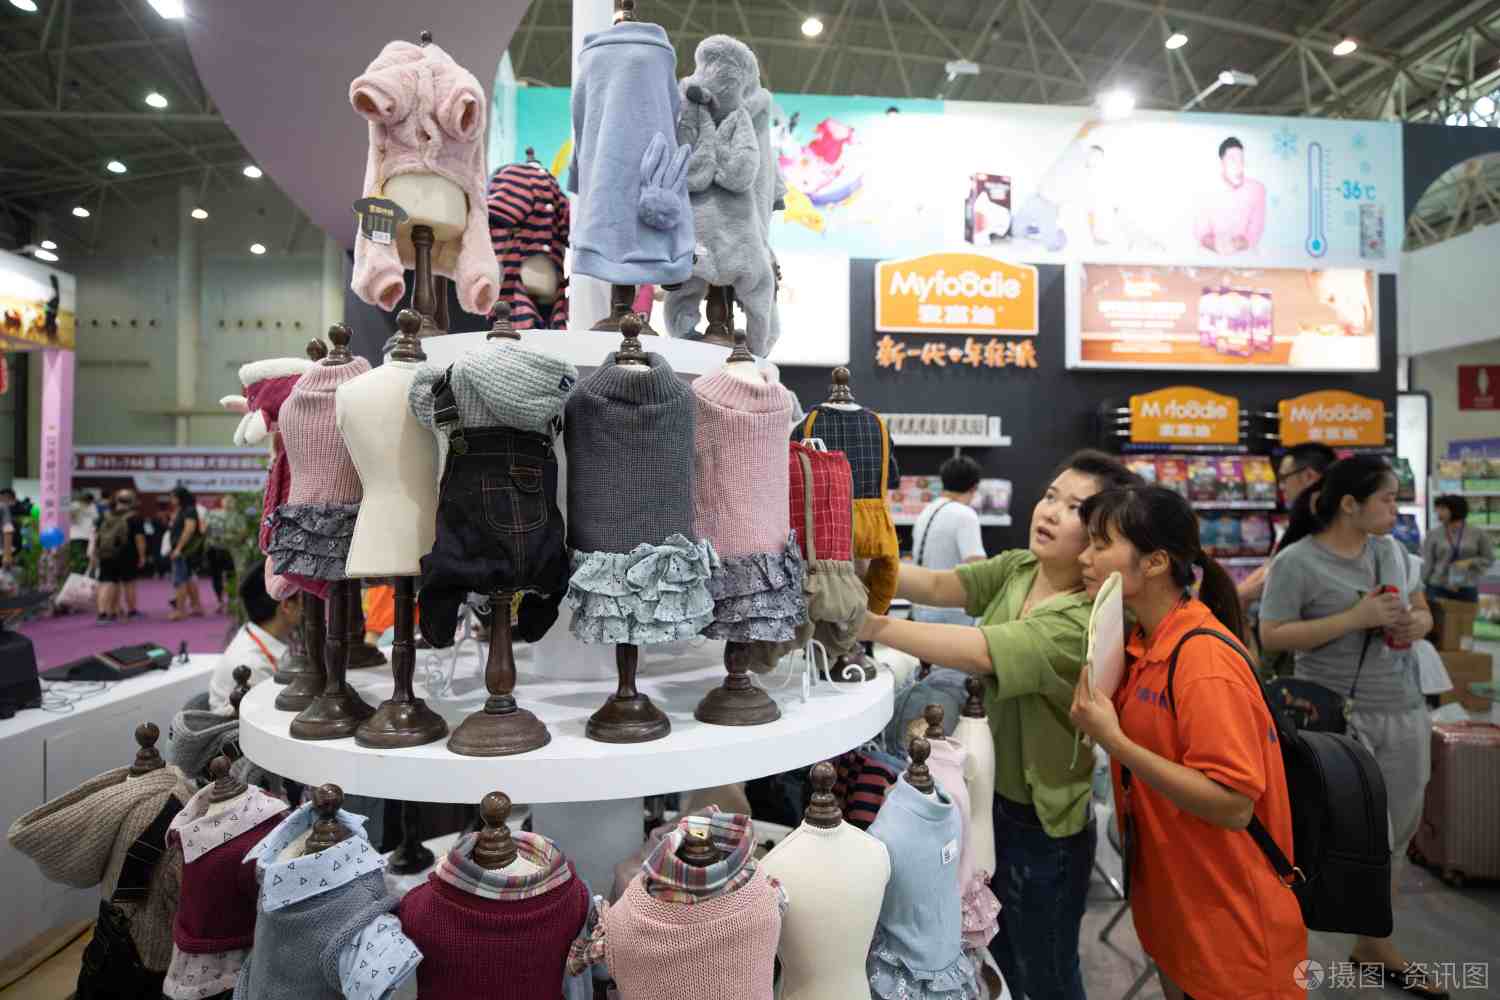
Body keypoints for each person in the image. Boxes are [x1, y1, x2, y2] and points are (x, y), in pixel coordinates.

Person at [860, 450, 1141, 1000]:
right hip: (985, 800)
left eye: (1075, 508)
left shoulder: (1083, 620)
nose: (1051, 511)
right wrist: (862, 563)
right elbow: (937, 586)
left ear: (1102, 533)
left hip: (1041, 822)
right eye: (1051, 496)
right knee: (996, 954)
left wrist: (872, 624)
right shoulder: (1020, 568)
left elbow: (982, 650)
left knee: (1048, 972)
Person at [1070, 485, 1305, 1000]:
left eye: (1100, 544)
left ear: (1155, 562)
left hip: (1233, 928)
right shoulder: (1144, 642)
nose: (1084, 557)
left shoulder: (1203, 663)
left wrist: (1115, 742)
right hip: (1181, 910)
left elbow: (1233, 804)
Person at [1260, 456, 1448, 999]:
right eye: (1387, 498)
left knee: (1400, 829)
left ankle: (1375, 942)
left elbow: (1422, 610)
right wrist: (1353, 619)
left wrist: (1417, 624)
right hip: (1333, 717)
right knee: (1336, 835)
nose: (1395, 506)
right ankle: (1287, 947)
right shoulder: (1297, 562)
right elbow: (1272, 635)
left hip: (1404, 706)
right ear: (1350, 505)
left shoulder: (1392, 553)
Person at [888, 455, 989, 740]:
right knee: (951, 690)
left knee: (926, 683)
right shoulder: (965, 515)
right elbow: (977, 568)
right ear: (974, 487)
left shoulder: (928, 510)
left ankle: (912, 735)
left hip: (923, 606)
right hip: (953, 612)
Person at [1237, 441, 1339, 607]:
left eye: (1284, 478)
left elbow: (1273, 578)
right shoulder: (1303, 518)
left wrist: (1236, 596)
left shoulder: (1322, 525)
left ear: (1309, 476)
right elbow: (1270, 567)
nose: (1281, 486)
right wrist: (1237, 594)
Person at [209, 559, 301, 715]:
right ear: (286, 606)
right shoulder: (252, 665)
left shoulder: (264, 636)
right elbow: (274, 719)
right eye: (305, 598)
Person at [1194, 136, 1266, 255]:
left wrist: (1236, 245)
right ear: (1222, 162)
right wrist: (1217, 245)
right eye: (1233, 160)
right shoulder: (1206, 190)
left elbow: (1255, 231)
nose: (1239, 165)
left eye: (1241, 160)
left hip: (1247, 256)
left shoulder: (1257, 189)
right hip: (1210, 256)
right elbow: (1201, 232)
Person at [1421, 494, 1494, 604]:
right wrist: (1421, 587)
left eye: (1442, 508)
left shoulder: (1478, 533)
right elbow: (1427, 563)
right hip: (1438, 586)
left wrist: (1470, 562)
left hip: (1467, 586)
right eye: (1437, 508)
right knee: (1437, 615)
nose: (1438, 512)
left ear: (1455, 509)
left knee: (1466, 615)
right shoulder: (1433, 534)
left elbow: (1488, 558)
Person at [91, 490, 147, 624]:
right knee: (129, 583)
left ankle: (104, 613)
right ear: (132, 501)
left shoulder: (104, 516)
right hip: (127, 554)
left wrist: (94, 552)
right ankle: (132, 611)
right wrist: (142, 556)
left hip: (106, 553)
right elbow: (139, 539)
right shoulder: (134, 517)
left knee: (106, 582)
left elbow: (96, 535)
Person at [167, 485, 205, 620]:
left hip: (184, 551)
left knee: (180, 581)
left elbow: (189, 530)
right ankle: (196, 606)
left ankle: (180, 610)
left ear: (180, 497)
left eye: (173, 497)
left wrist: (178, 548)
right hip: (184, 550)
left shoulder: (188, 510)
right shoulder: (184, 510)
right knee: (188, 579)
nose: (171, 500)